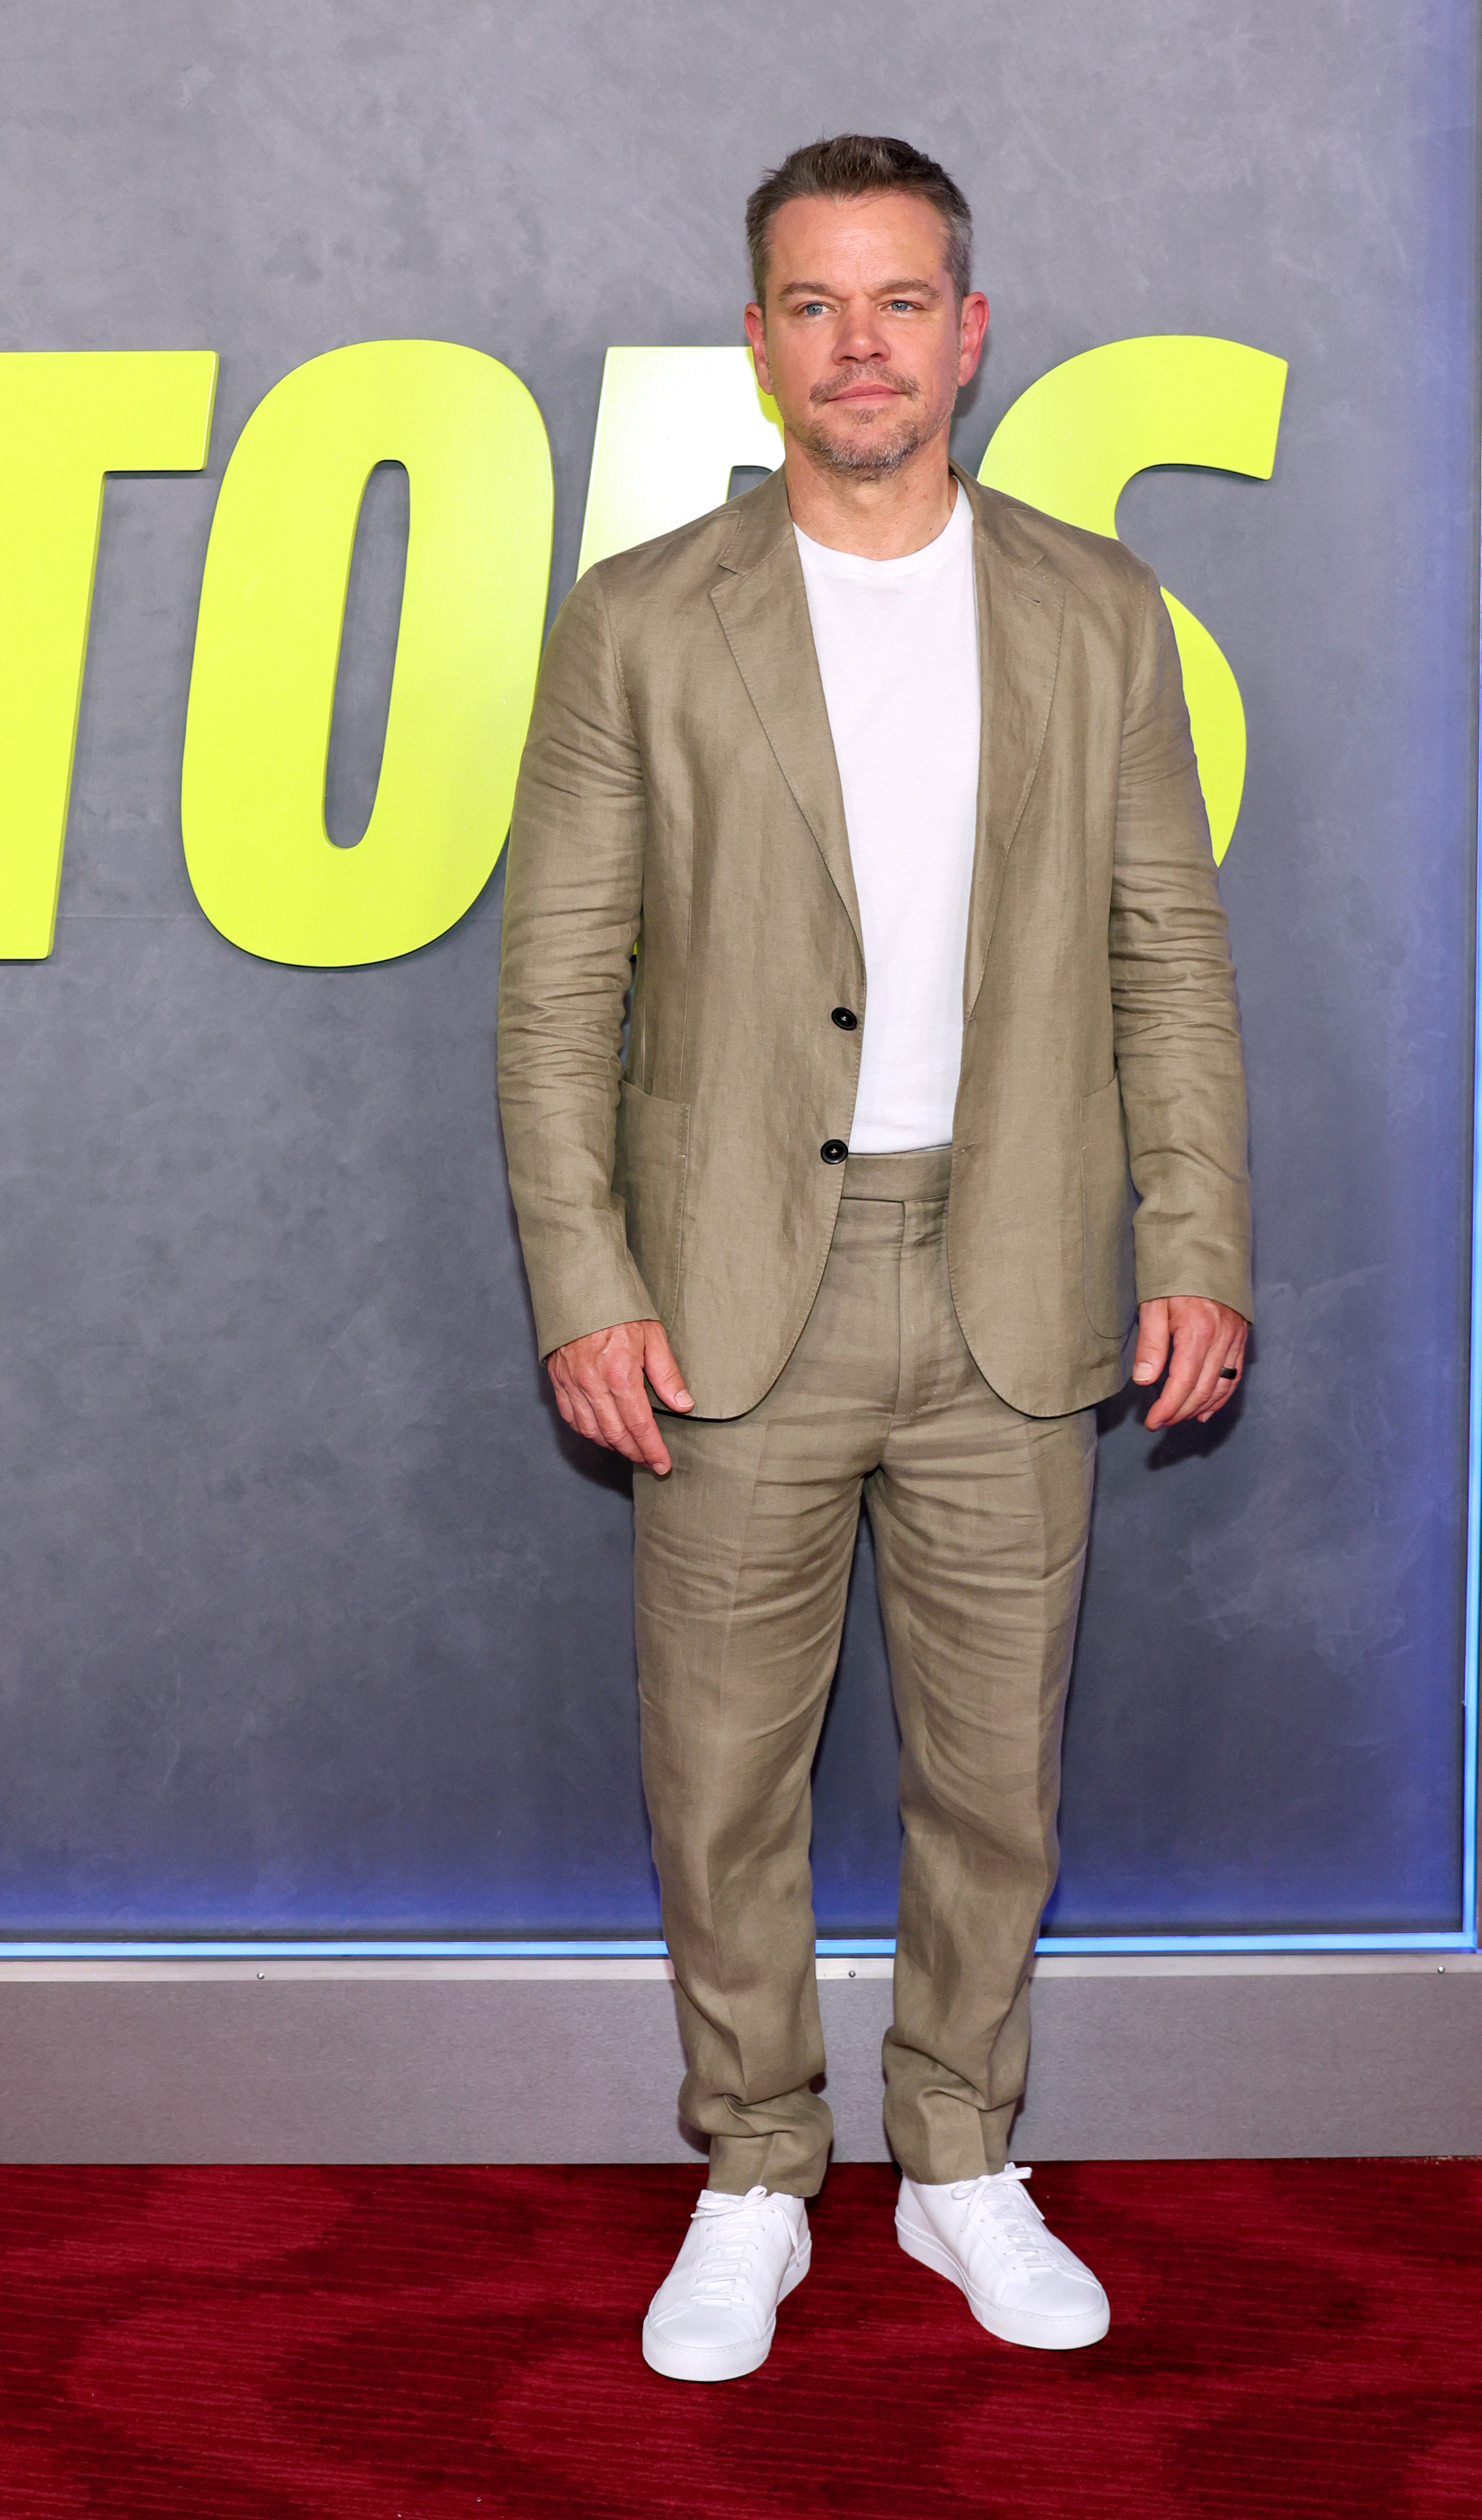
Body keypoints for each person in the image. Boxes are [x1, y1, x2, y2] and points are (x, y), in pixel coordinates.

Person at [498, 133, 1251, 2381]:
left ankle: (955, 2164)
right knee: (720, 1765)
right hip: (734, 1292)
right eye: (814, 305)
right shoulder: (642, 619)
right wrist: (583, 1275)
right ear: (758, 344)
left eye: (901, 300)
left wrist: (1196, 1230)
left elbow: (1169, 957)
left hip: (1018, 1275)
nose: (860, 344)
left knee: (995, 1772)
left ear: (971, 333)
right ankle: (749, 2170)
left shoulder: (1097, 606)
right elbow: (556, 993)